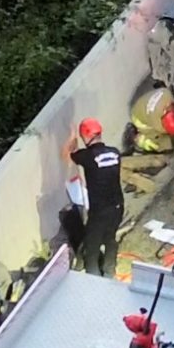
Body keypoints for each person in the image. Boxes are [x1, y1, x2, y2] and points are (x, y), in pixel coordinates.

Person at [63, 117, 124, 277]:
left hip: (100, 211)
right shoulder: (115, 153)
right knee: (110, 238)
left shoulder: (87, 156)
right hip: (118, 206)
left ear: (85, 136)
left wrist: (71, 137)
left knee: (92, 245)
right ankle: (110, 272)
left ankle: (94, 278)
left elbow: (67, 156)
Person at [128, 87, 174, 153]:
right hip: (138, 117)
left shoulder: (169, 95)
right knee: (158, 144)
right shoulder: (158, 126)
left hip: (142, 104)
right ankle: (136, 140)